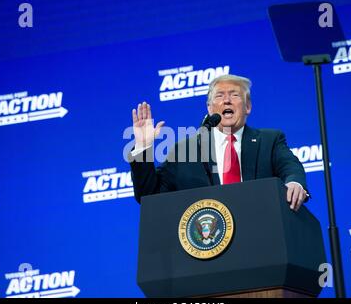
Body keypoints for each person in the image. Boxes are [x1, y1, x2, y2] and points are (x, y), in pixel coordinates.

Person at [128, 74, 309, 211]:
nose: (227, 100)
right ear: (209, 108)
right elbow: (149, 196)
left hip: (262, 234)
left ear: (248, 107)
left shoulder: (270, 140)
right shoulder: (185, 151)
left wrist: (295, 183)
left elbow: (290, 166)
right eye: (219, 96)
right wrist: (143, 147)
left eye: (235, 95)